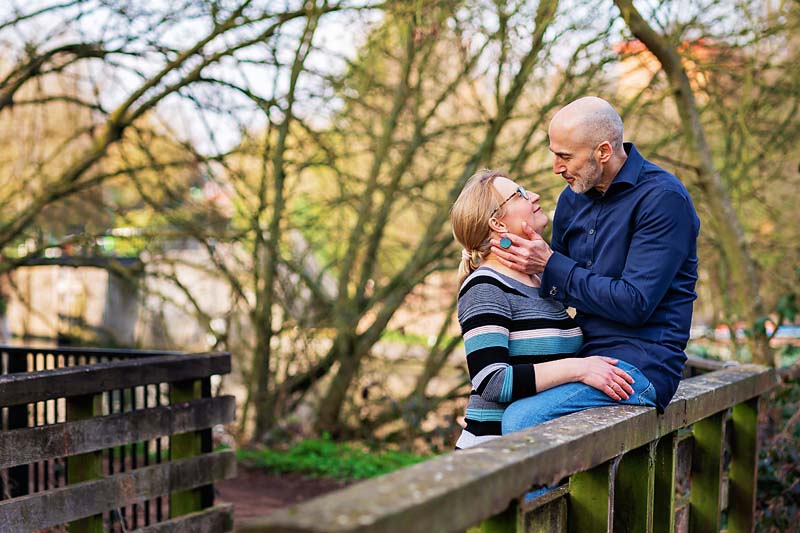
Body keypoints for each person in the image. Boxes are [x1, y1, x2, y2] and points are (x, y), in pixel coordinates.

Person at [490, 97, 700, 434]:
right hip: (581, 357)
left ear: (603, 151)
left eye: (565, 157)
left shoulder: (663, 199)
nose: (556, 168)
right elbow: (556, 289)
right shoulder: (572, 199)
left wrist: (549, 263)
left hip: (639, 365)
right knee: (494, 401)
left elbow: (634, 303)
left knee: (522, 421)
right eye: (553, 154)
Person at [450, 169, 658, 450]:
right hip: (492, 455)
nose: (534, 196)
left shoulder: (541, 280)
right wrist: (579, 368)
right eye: (520, 194)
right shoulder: (485, 286)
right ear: (497, 223)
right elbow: (491, 380)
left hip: (535, 451)